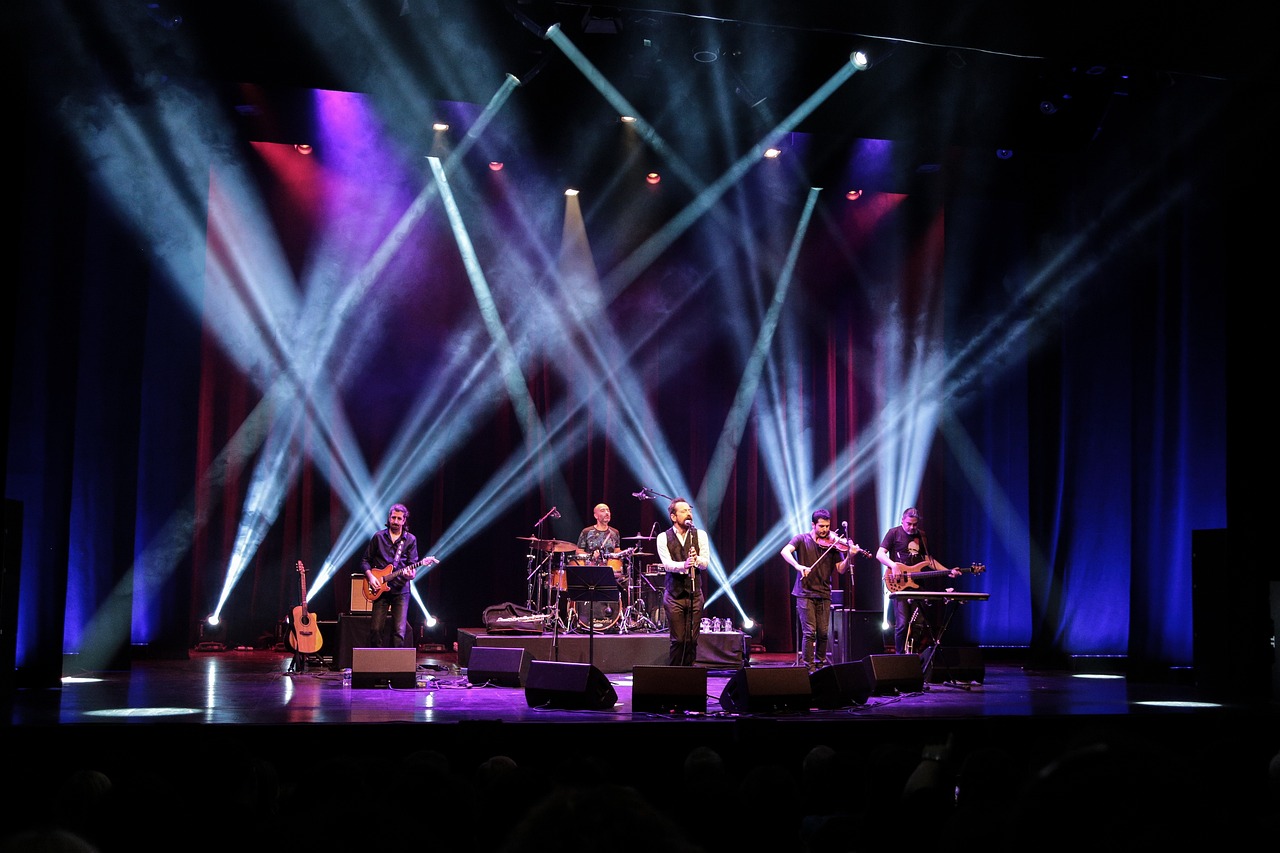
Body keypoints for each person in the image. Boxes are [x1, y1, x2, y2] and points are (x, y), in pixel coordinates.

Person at [780, 509, 856, 672]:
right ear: (813, 525)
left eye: (827, 526)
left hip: (824, 593)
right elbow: (785, 551)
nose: (825, 530)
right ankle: (809, 669)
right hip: (805, 592)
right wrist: (798, 566)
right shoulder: (801, 539)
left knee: (823, 633)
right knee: (810, 633)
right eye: (821, 526)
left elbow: (841, 569)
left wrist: (850, 555)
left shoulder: (833, 544)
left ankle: (820, 666)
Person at [875, 507, 958, 654]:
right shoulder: (894, 533)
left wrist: (947, 571)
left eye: (915, 524)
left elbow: (928, 561)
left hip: (917, 585)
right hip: (899, 585)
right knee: (902, 623)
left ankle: (913, 654)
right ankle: (900, 656)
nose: (912, 527)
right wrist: (893, 565)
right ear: (902, 520)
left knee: (919, 623)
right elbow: (880, 554)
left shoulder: (922, 536)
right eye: (909, 524)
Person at [361, 503, 438, 649]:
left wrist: (410, 575)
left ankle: (396, 661)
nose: (395, 521)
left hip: (401, 590)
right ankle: (376, 660)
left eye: (399, 518)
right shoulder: (378, 537)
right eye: (393, 517)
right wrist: (371, 577)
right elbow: (365, 560)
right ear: (389, 518)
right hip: (380, 590)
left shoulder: (410, 539)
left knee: (399, 632)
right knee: (375, 630)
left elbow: (412, 565)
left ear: (404, 520)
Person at [654, 498, 708, 666]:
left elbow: (705, 563)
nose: (688, 513)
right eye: (683, 511)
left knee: (692, 640)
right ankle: (675, 674)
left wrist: (696, 559)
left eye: (689, 510)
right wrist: (684, 565)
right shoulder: (663, 537)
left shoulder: (700, 535)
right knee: (678, 640)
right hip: (674, 595)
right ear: (673, 516)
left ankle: (690, 675)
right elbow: (667, 564)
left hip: (695, 594)